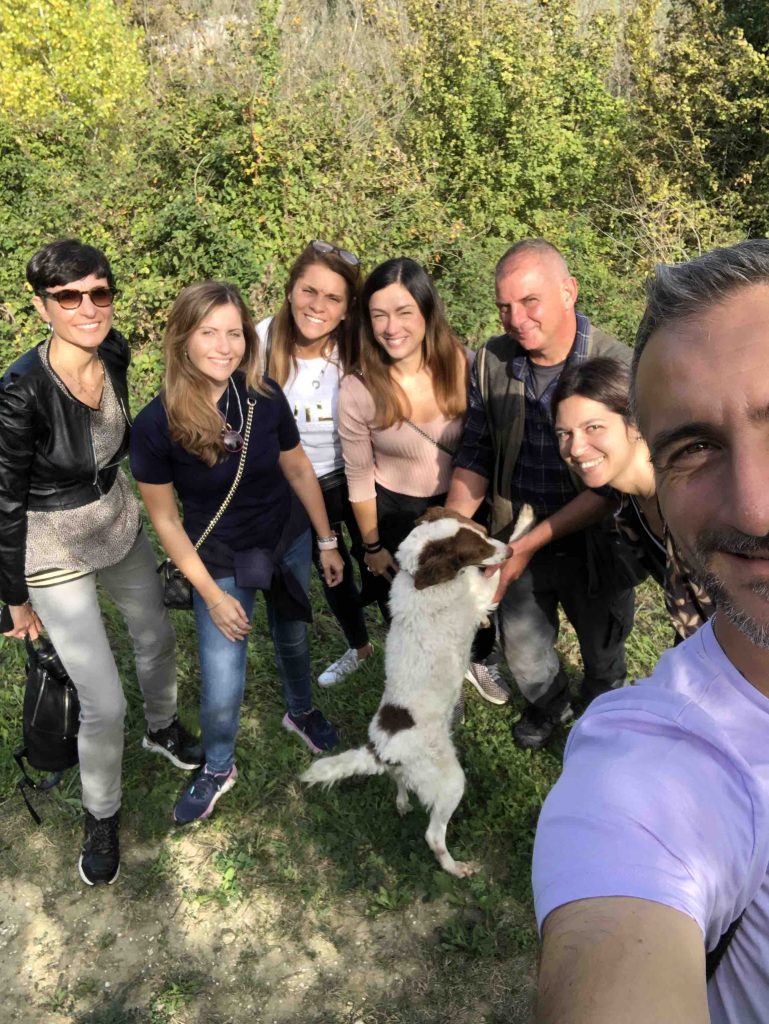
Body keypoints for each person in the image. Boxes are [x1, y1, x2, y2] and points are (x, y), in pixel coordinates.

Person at [533, 240, 769, 1024]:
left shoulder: (650, 502)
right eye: (694, 448)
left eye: (592, 430)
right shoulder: (657, 764)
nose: (751, 507)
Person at [0, 239, 200, 887]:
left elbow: (110, 448)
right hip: (51, 549)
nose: (88, 307)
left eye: (99, 292)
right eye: (69, 296)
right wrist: (14, 598)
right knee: (103, 702)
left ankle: (164, 728)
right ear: (42, 306)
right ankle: (101, 814)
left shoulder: (113, 351)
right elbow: (4, 502)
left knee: (155, 635)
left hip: (114, 524)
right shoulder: (18, 394)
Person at [130, 281, 345, 827]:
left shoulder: (264, 395)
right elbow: (166, 520)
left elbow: (297, 468)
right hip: (220, 556)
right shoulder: (157, 424)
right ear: (182, 339)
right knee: (222, 672)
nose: (225, 346)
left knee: (293, 634)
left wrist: (324, 539)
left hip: (285, 537)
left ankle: (300, 712)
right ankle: (219, 766)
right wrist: (211, 595)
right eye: (209, 333)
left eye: (234, 333)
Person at [446, 238, 634, 749]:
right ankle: (550, 704)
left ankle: (601, 718)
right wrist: (453, 527)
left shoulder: (617, 366)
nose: (516, 318)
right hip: (517, 537)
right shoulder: (491, 361)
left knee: (603, 650)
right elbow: (477, 450)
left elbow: (619, 484)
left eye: (530, 301)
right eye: (504, 306)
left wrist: (523, 547)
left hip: (599, 544)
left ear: (568, 291)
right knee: (525, 655)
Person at [256, 240, 374, 688]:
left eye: (332, 298)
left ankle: (416, 653)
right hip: (295, 481)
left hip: (356, 477)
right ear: (290, 291)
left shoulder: (357, 351)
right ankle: (359, 646)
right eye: (309, 291)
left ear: (347, 309)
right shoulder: (263, 338)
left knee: (378, 563)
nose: (317, 306)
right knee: (330, 566)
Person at [552, 355, 712, 641]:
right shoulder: (629, 506)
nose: (575, 448)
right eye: (564, 434)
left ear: (636, 423)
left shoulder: (694, 496)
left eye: (593, 428)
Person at [338, 258, 468, 607]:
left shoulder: (464, 365)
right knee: (412, 614)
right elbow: (360, 477)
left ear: (427, 310)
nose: (391, 327)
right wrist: (373, 546)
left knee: (467, 607)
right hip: (396, 516)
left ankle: (478, 664)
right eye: (379, 315)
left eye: (403, 312)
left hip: (461, 504)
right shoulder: (358, 389)